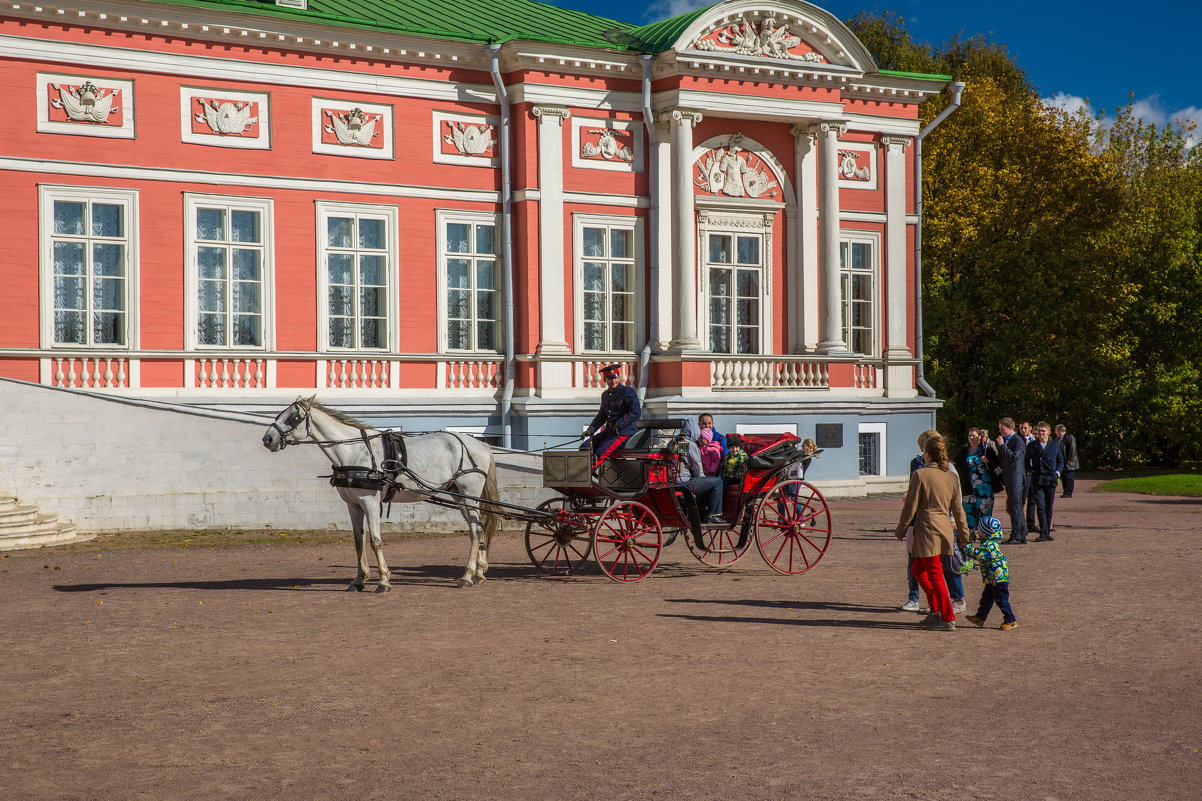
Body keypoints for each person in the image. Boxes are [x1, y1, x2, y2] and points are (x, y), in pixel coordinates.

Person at [895, 434, 972, 631]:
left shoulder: (920, 475)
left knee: (935, 573)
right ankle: (936, 610)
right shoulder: (951, 477)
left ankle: (947, 616)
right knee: (918, 570)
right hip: (944, 528)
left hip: (927, 529)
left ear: (927, 455)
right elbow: (958, 510)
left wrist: (901, 529)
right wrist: (964, 536)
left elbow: (910, 507)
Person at [962, 516, 1018, 630]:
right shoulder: (989, 542)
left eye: (979, 529)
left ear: (985, 531)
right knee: (986, 598)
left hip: (998, 578)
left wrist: (966, 547)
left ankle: (1011, 620)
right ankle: (980, 617)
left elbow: (979, 555)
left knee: (1001, 600)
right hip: (991, 578)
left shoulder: (989, 545)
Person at [581, 364, 641, 467]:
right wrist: (590, 430)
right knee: (585, 447)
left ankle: (584, 478)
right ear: (605, 380)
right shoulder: (605, 395)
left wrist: (620, 424)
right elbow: (601, 416)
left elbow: (636, 413)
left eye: (615, 377)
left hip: (623, 432)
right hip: (610, 431)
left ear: (618, 377)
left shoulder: (627, 392)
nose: (613, 381)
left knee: (599, 453)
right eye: (610, 379)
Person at [674, 418, 724, 522]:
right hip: (684, 482)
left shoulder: (673, 442)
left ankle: (699, 509)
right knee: (717, 482)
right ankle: (713, 514)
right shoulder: (691, 445)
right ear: (694, 431)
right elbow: (697, 467)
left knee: (707, 482)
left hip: (672, 482)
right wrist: (703, 478)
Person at [1025, 421, 1065, 542]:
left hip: (1051, 479)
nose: (1041, 433)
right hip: (1037, 479)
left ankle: (1047, 531)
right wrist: (1031, 471)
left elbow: (1061, 461)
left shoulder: (1055, 445)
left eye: (1043, 431)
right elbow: (1026, 461)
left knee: (1049, 507)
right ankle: (1043, 532)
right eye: (1039, 431)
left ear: (1048, 432)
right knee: (1040, 506)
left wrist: (1057, 473)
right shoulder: (1032, 445)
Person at [955, 427, 1000, 531]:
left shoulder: (985, 449)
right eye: (969, 435)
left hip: (984, 486)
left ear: (979, 436)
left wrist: (987, 461)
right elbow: (955, 463)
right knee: (969, 511)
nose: (971, 438)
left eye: (973, 435)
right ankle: (970, 536)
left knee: (984, 511)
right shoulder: (964, 449)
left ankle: (985, 535)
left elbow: (996, 463)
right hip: (967, 485)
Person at [995, 418, 1028, 545]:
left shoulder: (1018, 440)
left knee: (1015, 507)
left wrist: (1002, 445)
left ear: (1010, 428)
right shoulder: (1008, 440)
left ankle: (1016, 534)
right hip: (1009, 478)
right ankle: (1022, 532)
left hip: (1016, 479)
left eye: (1002, 428)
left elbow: (1014, 457)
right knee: (1015, 507)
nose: (1000, 431)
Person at [1056, 424, 1079, 498]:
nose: (1056, 432)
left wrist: (1070, 459)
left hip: (1069, 463)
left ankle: (1068, 492)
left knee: (1069, 478)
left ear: (1060, 430)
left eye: (1056, 431)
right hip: (1062, 461)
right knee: (1064, 478)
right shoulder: (1058, 439)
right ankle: (1065, 491)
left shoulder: (1069, 437)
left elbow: (1072, 448)